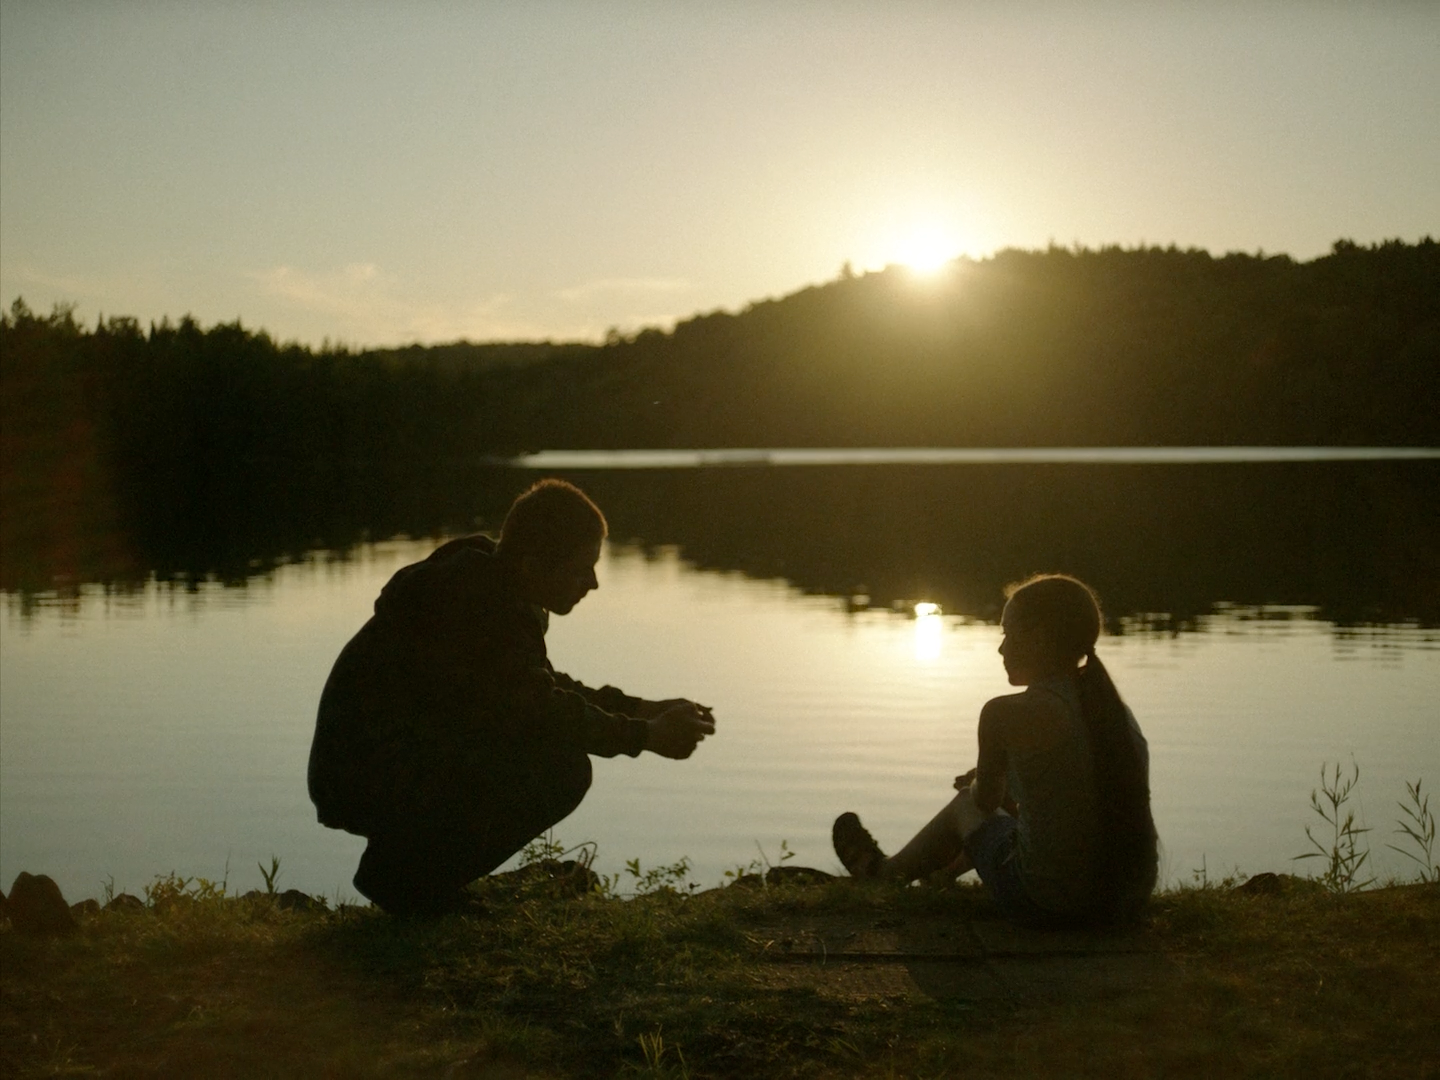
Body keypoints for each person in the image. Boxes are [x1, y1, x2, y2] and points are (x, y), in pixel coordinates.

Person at [308, 479, 715, 914]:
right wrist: (646, 736)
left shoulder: (493, 587)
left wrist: (643, 709)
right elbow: (542, 710)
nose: (593, 583)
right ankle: (405, 882)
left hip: (390, 760)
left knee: (543, 747)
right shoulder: (476, 606)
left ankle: (409, 875)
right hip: (360, 775)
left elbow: (541, 686)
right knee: (561, 769)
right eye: (582, 568)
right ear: (532, 565)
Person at [832, 574, 1157, 927]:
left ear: (1038, 638)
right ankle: (940, 877)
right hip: (1126, 905)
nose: (1001, 649)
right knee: (1007, 811)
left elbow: (984, 803)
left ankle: (883, 874)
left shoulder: (1003, 713)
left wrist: (979, 784)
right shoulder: (1114, 715)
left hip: (1049, 906)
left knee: (967, 805)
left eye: (1007, 633)